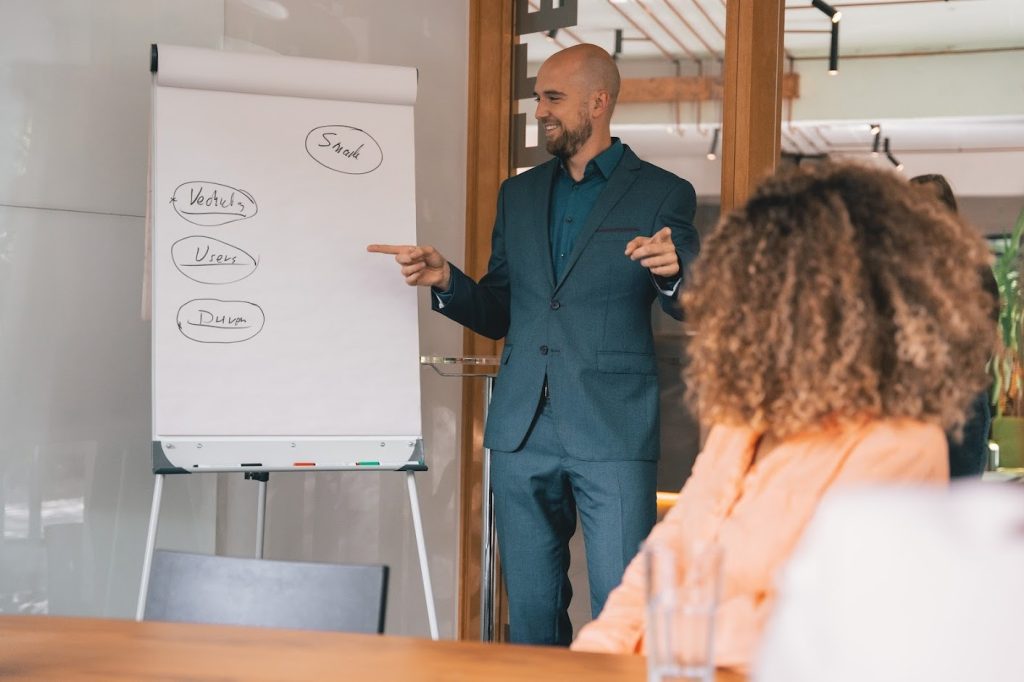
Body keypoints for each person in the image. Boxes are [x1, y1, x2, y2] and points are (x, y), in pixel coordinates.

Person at [571, 162, 996, 670]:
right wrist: (594, 658)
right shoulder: (744, 417)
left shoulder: (900, 444)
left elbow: (812, 625)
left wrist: (675, 634)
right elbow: (668, 553)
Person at [368, 44, 699, 645]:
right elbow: (500, 311)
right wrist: (448, 281)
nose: (540, 111)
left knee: (626, 611)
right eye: (538, 98)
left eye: (553, 98)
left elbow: (689, 300)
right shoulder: (516, 196)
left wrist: (674, 271)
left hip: (613, 428)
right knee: (531, 615)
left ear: (598, 103)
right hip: (522, 428)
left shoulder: (662, 193)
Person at [909, 173, 997, 478]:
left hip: (960, 399)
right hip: (910, 402)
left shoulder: (971, 265)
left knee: (956, 499)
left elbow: (983, 334)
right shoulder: (895, 268)